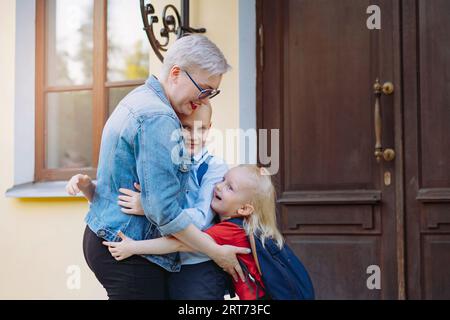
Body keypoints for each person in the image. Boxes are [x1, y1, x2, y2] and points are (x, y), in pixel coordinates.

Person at [73, 34, 250, 300]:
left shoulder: (140, 99)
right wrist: (217, 252)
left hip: (109, 236)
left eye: (212, 93)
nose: (204, 100)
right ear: (176, 74)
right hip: (125, 244)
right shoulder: (158, 117)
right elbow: (164, 211)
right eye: (203, 89)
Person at [68, 103, 232, 299]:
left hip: (197, 264)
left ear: (210, 128)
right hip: (165, 262)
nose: (194, 135)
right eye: (186, 127)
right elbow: (121, 199)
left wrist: (150, 207)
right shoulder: (160, 161)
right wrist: (88, 188)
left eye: (202, 129)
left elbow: (201, 220)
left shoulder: (214, 167)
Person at [101, 165, 283, 300]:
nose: (218, 186)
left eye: (230, 187)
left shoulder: (231, 231)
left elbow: (179, 242)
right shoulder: (244, 226)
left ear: (244, 208)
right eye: (223, 180)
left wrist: (133, 247)